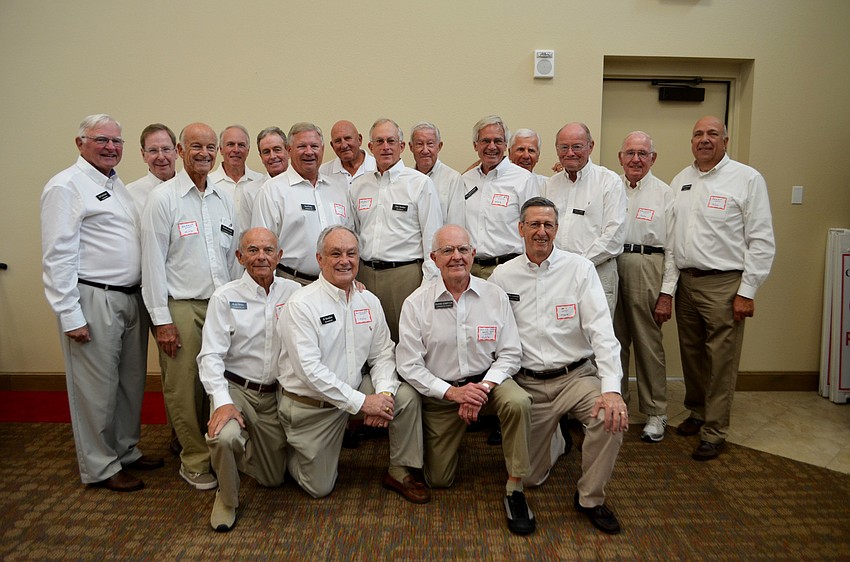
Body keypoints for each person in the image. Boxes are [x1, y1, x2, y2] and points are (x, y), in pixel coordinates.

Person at [489, 197, 628, 535]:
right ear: (520, 229)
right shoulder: (503, 276)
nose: (541, 232)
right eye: (533, 225)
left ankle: (590, 498)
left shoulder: (579, 269)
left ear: (556, 229)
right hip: (529, 384)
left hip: (575, 377)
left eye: (548, 225)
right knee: (532, 478)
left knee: (609, 419)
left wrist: (611, 390)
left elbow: (602, 332)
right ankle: (559, 441)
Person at [41, 114, 163, 492]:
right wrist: (69, 313)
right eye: (101, 140)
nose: (111, 147)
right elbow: (57, 255)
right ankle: (100, 465)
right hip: (94, 297)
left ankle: (125, 450)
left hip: (130, 298)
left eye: (116, 141)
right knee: (96, 388)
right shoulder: (66, 186)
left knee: (129, 383)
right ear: (80, 143)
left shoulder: (114, 184)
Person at [396, 224, 534, 535]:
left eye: (463, 250)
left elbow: (510, 354)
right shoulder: (416, 303)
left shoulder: (494, 296)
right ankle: (454, 436)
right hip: (443, 393)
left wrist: (482, 389)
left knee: (518, 401)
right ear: (433, 258)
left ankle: (515, 486)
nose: (456, 257)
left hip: (489, 383)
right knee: (439, 480)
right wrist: (453, 394)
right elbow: (408, 365)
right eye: (447, 251)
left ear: (473, 254)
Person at [277, 225, 428, 503]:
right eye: (335, 253)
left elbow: (383, 353)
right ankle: (285, 453)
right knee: (319, 488)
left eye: (351, 253)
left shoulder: (368, 300)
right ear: (320, 259)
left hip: (353, 390)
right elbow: (310, 373)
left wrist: (382, 395)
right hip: (313, 405)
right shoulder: (301, 305)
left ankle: (399, 469)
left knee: (403, 396)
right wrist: (362, 403)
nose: (344, 260)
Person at [141, 122, 239, 491]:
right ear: (181, 152)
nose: (204, 153)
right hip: (180, 306)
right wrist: (161, 321)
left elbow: (232, 257)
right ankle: (194, 460)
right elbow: (151, 264)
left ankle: (215, 450)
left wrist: (235, 306)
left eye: (210, 147)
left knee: (216, 382)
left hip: (219, 304)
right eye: (195, 146)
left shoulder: (223, 198)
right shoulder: (163, 199)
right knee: (184, 388)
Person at [671, 116, 775, 461]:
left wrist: (747, 290)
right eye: (698, 133)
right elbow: (672, 239)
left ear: (725, 141)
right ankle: (697, 411)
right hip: (687, 281)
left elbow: (761, 240)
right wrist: (669, 288)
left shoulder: (747, 179)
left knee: (721, 358)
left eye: (712, 134)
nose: (704, 139)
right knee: (692, 353)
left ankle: (715, 430)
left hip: (724, 284)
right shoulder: (681, 180)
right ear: (691, 141)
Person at [199, 227, 300, 532]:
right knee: (225, 436)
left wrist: (355, 286)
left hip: (272, 394)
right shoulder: (225, 297)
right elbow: (210, 356)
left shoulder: (294, 293)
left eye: (269, 250)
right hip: (236, 388)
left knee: (272, 479)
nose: (261, 257)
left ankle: (240, 455)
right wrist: (222, 402)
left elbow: (331, 295)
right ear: (239, 256)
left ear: (279, 256)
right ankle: (226, 497)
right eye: (252, 250)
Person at [349, 118, 443, 342]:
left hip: (405, 276)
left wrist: (429, 282)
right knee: (367, 338)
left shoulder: (419, 184)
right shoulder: (358, 185)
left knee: (407, 340)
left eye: (391, 141)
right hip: (365, 276)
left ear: (402, 147)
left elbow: (432, 235)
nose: (385, 147)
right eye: (379, 141)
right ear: (370, 148)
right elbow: (352, 232)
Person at [613, 131, 677, 443]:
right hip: (612, 265)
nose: (636, 159)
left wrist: (667, 292)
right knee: (614, 341)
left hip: (648, 265)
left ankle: (655, 411)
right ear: (620, 158)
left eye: (643, 153)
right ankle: (618, 405)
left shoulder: (666, 194)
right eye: (630, 153)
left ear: (653, 158)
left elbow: (674, 249)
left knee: (648, 343)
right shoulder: (611, 188)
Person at [252, 122, 353, 286]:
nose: (309, 152)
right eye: (301, 146)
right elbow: (261, 247)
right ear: (289, 150)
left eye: (314, 146)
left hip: (336, 284)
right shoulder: (272, 191)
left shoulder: (337, 190)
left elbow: (350, 238)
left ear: (322, 149)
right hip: (292, 283)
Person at [542, 123, 627, 315]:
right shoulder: (550, 185)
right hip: (556, 276)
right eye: (564, 147)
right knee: (560, 334)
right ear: (557, 150)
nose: (570, 152)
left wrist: (577, 265)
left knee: (597, 337)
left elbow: (614, 236)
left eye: (577, 146)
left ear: (591, 146)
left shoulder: (609, 181)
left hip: (597, 272)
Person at [461, 115, 539, 279]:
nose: (492, 146)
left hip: (508, 269)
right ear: (476, 145)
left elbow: (533, 227)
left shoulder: (523, 179)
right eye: (485, 141)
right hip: (470, 270)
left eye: (498, 141)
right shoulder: (465, 180)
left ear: (505, 145)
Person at [209, 125, 266, 232]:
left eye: (241, 145)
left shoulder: (262, 183)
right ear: (220, 149)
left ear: (248, 150)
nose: (236, 150)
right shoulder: (208, 184)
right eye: (230, 144)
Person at [408, 121, 464, 224]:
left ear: (439, 146)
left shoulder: (453, 179)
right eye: (419, 144)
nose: (425, 150)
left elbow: (455, 223)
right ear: (411, 147)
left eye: (430, 144)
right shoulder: (406, 179)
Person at [126, 123, 178, 215]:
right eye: (153, 150)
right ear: (143, 155)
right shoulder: (130, 194)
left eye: (166, 149)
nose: (161, 157)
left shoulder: (192, 190)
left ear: (176, 152)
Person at [319, 120, 377, 185]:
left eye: (347, 138)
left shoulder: (377, 168)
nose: (344, 145)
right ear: (332, 145)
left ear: (359, 140)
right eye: (338, 141)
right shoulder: (322, 173)